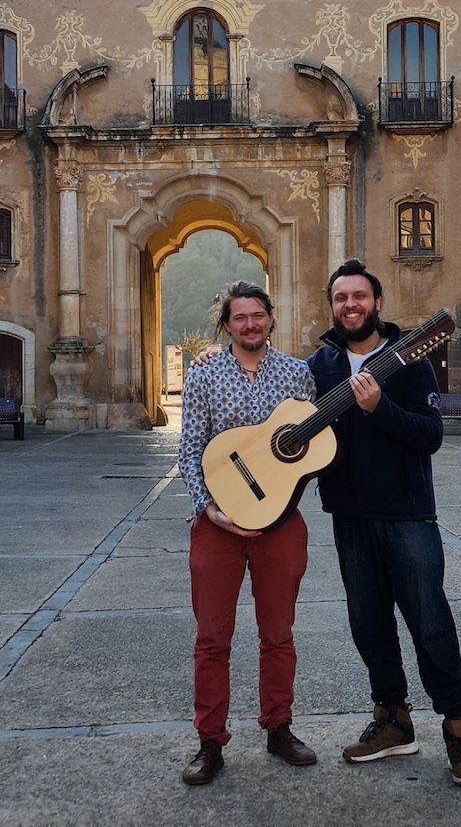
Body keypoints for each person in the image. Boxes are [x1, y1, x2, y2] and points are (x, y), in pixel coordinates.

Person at [306, 259, 461, 787]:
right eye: (341, 298)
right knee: (369, 624)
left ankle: (458, 730)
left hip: (408, 515)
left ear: (377, 303)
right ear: (332, 305)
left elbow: (429, 435)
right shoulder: (319, 366)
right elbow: (286, 417)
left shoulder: (411, 360)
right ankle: (393, 720)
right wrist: (210, 359)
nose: (350, 305)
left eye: (359, 296)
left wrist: (380, 406)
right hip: (350, 516)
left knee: (429, 621)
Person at [177, 280, 319, 786]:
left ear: (271, 319)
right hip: (217, 525)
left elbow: (314, 445)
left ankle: (279, 727)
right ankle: (209, 741)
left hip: (280, 521)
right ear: (227, 324)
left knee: (278, 634)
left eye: (258, 315)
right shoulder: (205, 374)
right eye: (241, 317)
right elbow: (190, 449)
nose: (251, 324)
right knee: (212, 637)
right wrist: (207, 508)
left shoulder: (299, 374)